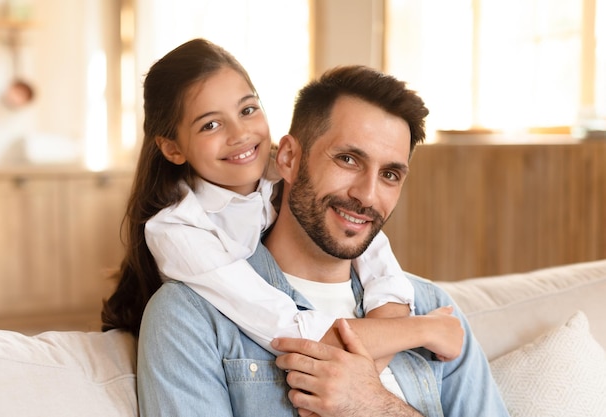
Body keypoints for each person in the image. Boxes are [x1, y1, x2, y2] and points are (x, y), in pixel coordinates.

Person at [134, 56, 509, 415]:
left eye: (390, 175)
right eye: (348, 159)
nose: (367, 195)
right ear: (289, 159)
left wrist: (373, 407)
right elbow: (288, 326)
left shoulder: (433, 308)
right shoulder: (189, 315)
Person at [102, 37, 462, 370]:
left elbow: (366, 239)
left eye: (247, 110)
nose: (240, 135)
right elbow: (291, 331)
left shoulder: (284, 168)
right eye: (210, 125)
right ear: (173, 148)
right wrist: (420, 331)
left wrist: (390, 321)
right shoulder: (179, 230)